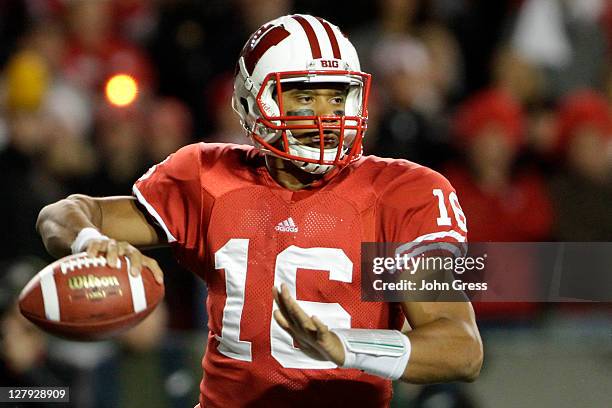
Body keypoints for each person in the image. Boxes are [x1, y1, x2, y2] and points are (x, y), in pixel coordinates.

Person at [37, 14, 482, 407]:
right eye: (305, 98)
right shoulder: (209, 179)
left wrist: (345, 347)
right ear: (254, 103)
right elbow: (62, 214)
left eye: (336, 96)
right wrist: (90, 242)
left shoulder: (400, 193)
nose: (325, 116)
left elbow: (461, 348)